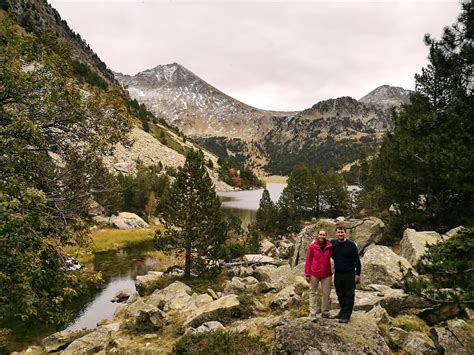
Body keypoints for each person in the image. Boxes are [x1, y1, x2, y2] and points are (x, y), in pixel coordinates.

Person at [330, 226, 361, 323]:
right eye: (338, 232)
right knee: (340, 293)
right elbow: (323, 247)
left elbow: (357, 260)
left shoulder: (351, 245)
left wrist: (357, 274)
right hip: (338, 273)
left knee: (349, 294)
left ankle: (347, 315)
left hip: (349, 273)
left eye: (342, 232)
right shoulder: (333, 243)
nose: (340, 234)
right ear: (336, 233)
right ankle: (342, 311)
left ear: (345, 233)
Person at [304, 229, 333, 322]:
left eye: (323, 235)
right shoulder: (312, 246)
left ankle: (325, 312)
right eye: (320, 234)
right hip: (314, 273)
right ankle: (313, 313)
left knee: (326, 294)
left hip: (326, 274)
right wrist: (307, 274)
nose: (322, 236)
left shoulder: (330, 246)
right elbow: (308, 260)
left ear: (326, 236)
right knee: (313, 292)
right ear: (317, 235)